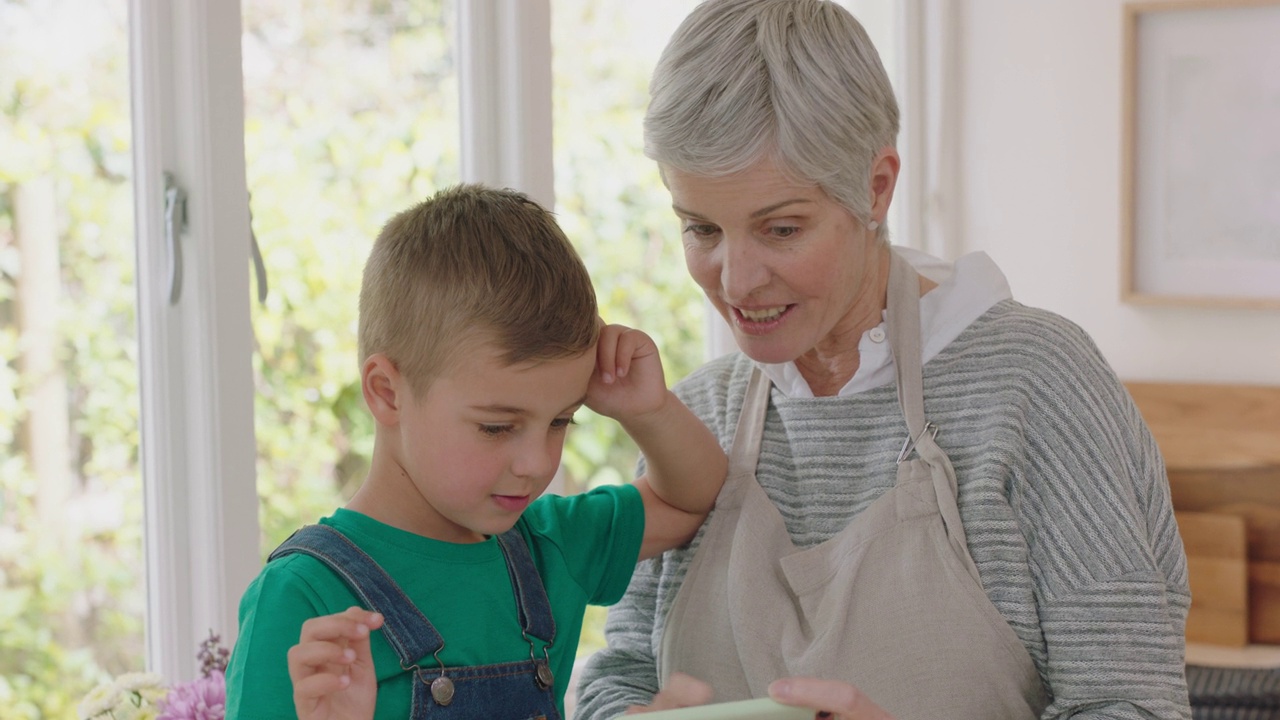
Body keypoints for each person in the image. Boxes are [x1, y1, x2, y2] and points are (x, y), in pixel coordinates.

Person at [573, 1, 1192, 718]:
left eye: (780, 228)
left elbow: (1134, 706)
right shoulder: (699, 416)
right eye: (701, 228)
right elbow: (617, 676)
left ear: (876, 187)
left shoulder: (1036, 386)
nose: (735, 281)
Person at [223, 183, 728, 719]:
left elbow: (689, 499)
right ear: (387, 393)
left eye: (560, 420)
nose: (537, 463)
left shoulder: (548, 546)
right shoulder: (302, 599)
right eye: (496, 427)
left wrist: (645, 410)